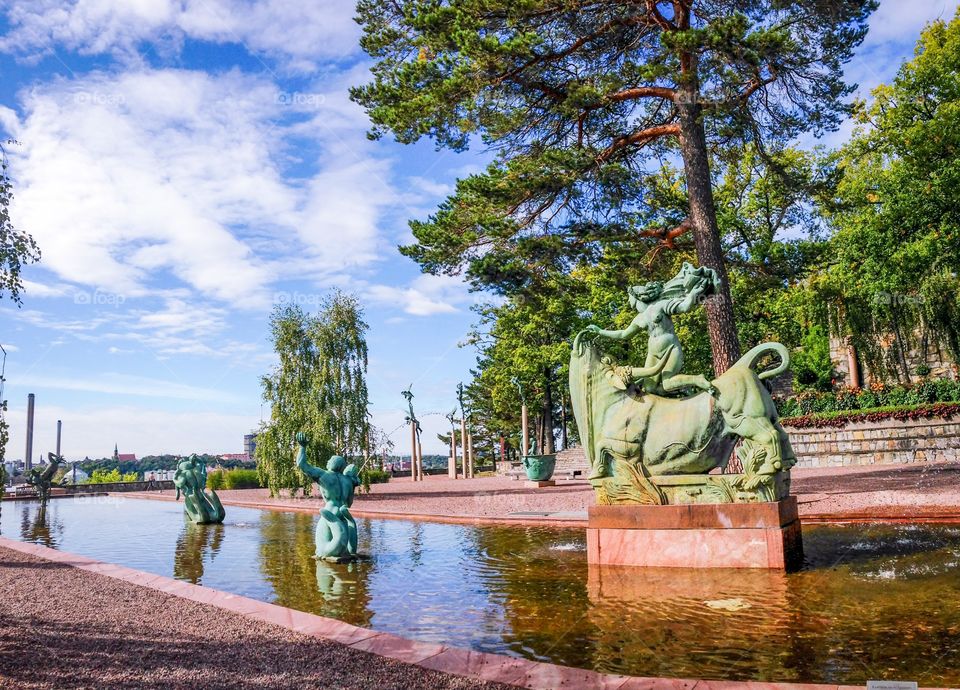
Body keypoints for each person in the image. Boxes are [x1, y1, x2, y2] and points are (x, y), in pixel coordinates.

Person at [586, 262, 719, 396]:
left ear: (640, 298)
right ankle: (681, 393)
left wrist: (694, 293)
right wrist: (599, 331)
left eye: (633, 300)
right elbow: (623, 334)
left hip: (670, 348)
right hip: (653, 353)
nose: (632, 305)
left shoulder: (661, 305)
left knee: (667, 383)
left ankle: (697, 380)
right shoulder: (640, 318)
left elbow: (684, 307)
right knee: (649, 388)